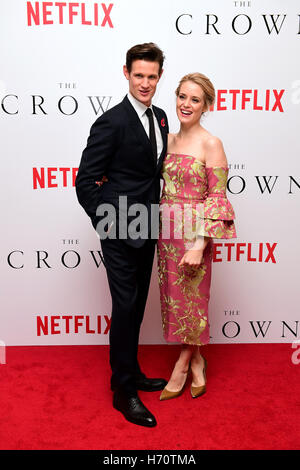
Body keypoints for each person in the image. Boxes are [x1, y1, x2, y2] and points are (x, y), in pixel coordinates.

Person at [75, 43, 169, 427]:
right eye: (139, 75)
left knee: (136, 306)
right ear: (126, 73)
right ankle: (123, 391)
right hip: (119, 228)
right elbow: (85, 181)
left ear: (159, 76)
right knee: (125, 306)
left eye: (152, 75)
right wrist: (109, 224)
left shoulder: (160, 117)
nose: (145, 82)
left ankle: (132, 373)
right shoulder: (111, 121)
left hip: (147, 223)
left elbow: (150, 173)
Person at [157, 73, 236, 400]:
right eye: (182, 97)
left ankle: (183, 363)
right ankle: (199, 359)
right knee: (176, 300)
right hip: (166, 233)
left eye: (195, 100)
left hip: (194, 234)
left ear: (206, 106)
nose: (186, 104)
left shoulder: (211, 143)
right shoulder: (169, 139)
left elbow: (217, 198)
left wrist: (200, 244)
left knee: (194, 301)